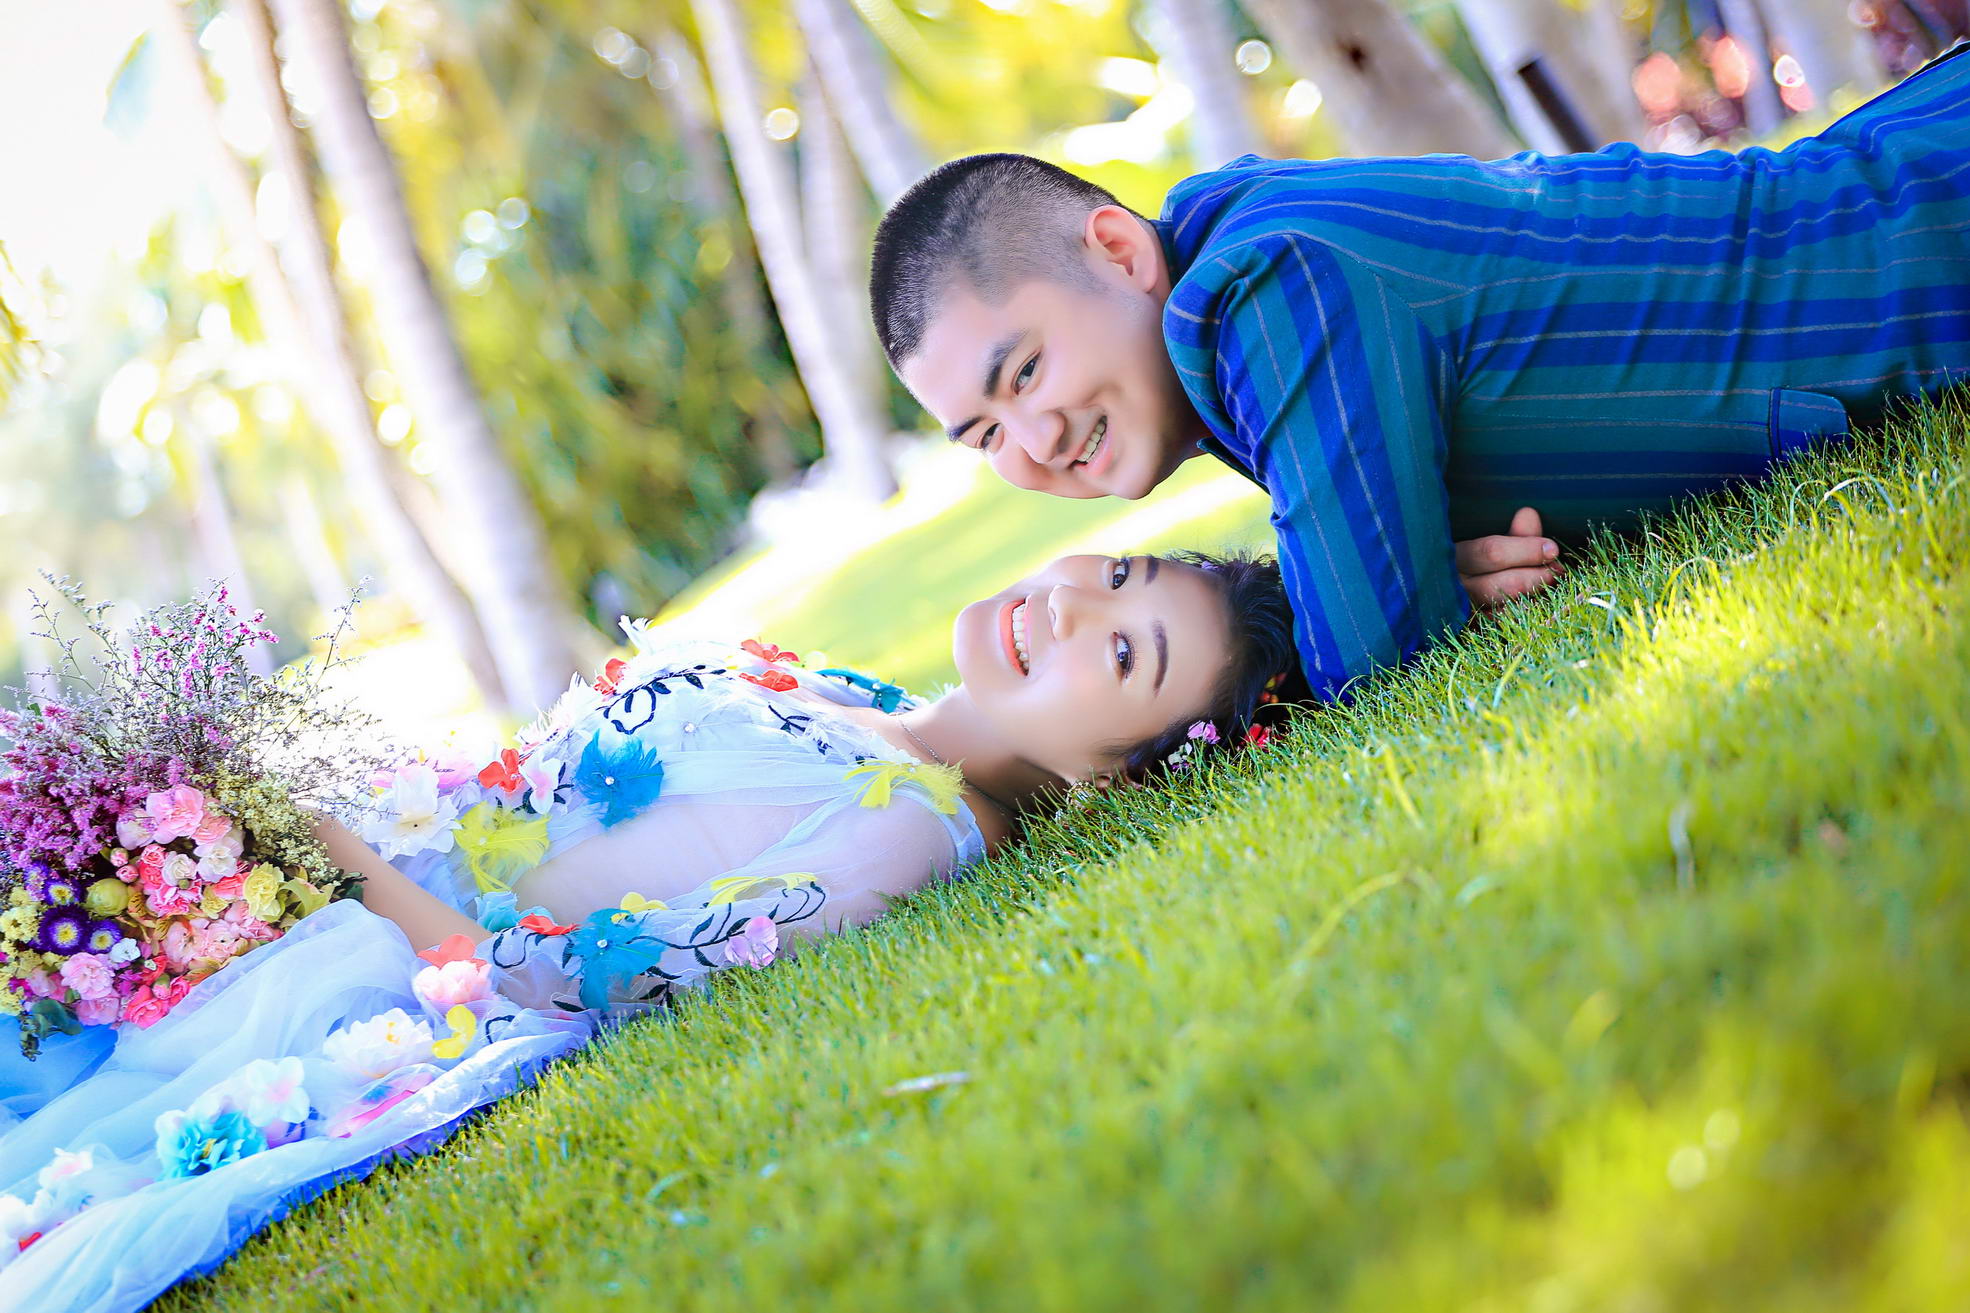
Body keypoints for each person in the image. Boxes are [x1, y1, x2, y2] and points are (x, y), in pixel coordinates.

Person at [0, 550, 1299, 1312]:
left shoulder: (910, 832)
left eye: (1119, 654)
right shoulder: (869, 706)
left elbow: (554, 985)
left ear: (1127, 774)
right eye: (1117, 572)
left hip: (342, 934)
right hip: (319, 853)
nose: (1070, 605)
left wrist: (319, 852)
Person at [870, 43, 1970, 702]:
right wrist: (1400, 554)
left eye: (1021, 372)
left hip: (1919, 249)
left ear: (1115, 251)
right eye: (982, 434)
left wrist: (1369, 588)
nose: (1034, 439)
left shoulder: (1265, 284)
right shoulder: (1231, 251)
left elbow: (1375, 654)